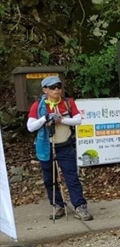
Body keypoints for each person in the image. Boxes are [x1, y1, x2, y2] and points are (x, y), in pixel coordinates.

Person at [27, 76, 93, 221]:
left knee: (72, 178)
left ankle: (80, 206)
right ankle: (57, 205)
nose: (57, 89)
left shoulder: (68, 102)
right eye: (52, 87)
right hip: (46, 147)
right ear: (45, 90)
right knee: (50, 179)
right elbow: (30, 126)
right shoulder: (38, 105)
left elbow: (78, 120)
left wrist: (61, 119)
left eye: (59, 86)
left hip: (65, 146)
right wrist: (45, 118)